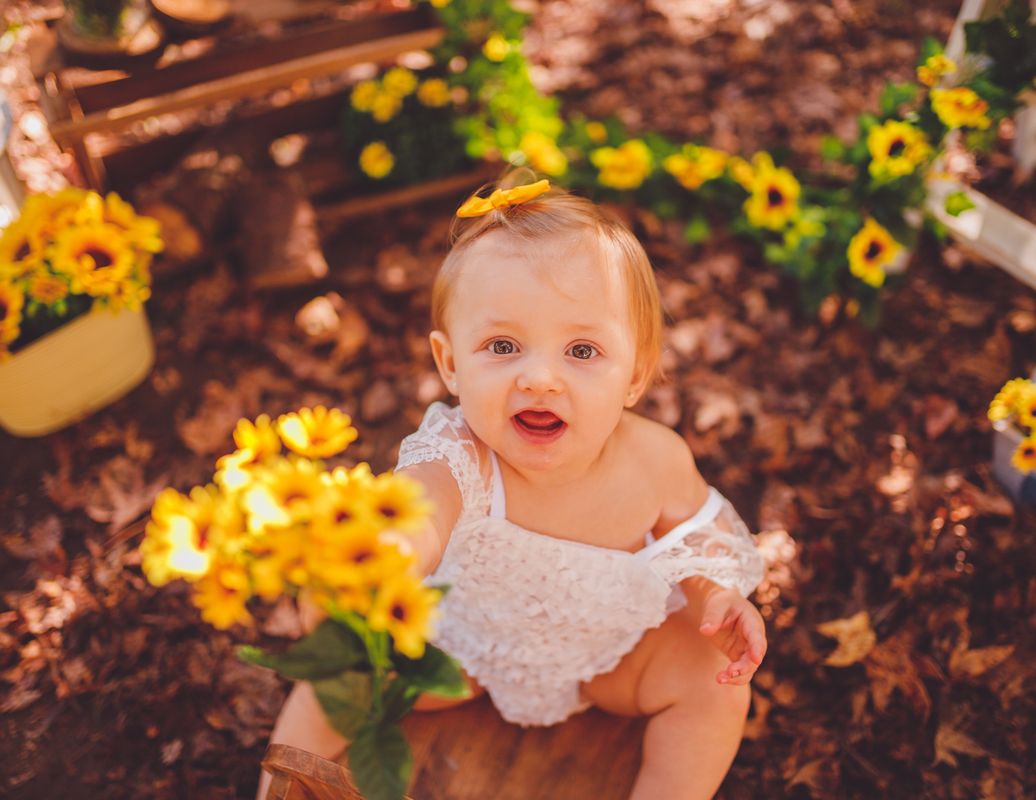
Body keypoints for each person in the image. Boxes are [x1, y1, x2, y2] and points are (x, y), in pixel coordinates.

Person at [259, 176, 767, 800]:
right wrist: (380, 564)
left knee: (714, 676)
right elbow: (420, 511)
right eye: (503, 346)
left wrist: (714, 595)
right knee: (346, 670)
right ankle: (282, 784)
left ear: (634, 374)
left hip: (605, 660)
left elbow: (696, 535)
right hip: (466, 651)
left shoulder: (655, 461)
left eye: (581, 350)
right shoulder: (459, 455)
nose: (541, 378)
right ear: (451, 365)